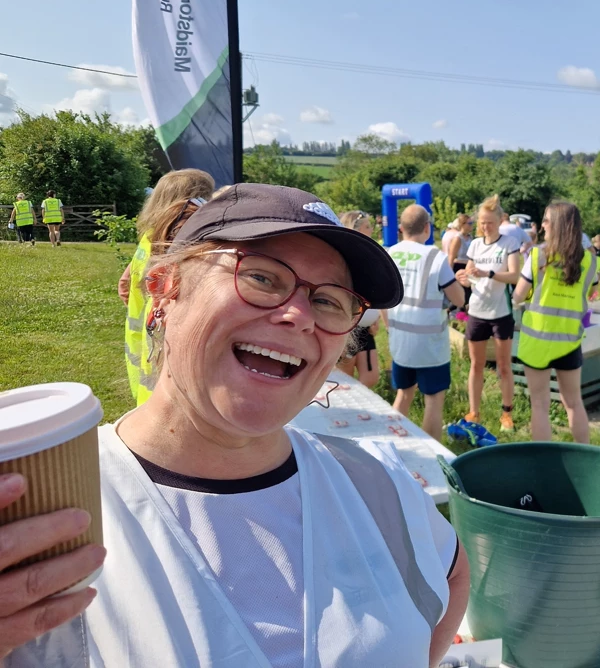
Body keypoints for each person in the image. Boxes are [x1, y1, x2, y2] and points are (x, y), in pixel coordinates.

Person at [1, 184, 470, 667]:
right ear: (163, 289)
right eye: (263, 278)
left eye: (330, 301)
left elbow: (453, 572)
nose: (299, 315)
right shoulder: (48, 510)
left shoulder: (377, 486)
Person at [118, 168, 215, 406]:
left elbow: (124, 285)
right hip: (170, 331)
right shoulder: (187, 229)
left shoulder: (151, 235)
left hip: (148, 332)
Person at [513, 202, 597, 444]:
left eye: (547, 220)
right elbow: (591, 290)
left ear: (559, 225)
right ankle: (586, 457)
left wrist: (521, 298)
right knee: (573, 402)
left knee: (539, 404)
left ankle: (543, 463)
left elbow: (519, 295)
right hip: (570, 342)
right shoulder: (590, 262)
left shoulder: (538, 255)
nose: (543, 225)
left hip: (537, 342)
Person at [384, 204, 465, 441]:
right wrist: (458, 281)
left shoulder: (390, 253)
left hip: (400, 340)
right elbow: (458, 299)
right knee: (434, 401)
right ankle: (432, 458)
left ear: (401, 228)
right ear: (427, 228)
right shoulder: (435, 257)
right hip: (430, 346)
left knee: (403, 394)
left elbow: (384, 302)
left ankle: (395, 447)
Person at [456, 195, 520, 430]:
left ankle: (507, 413)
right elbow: (470, 280)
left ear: (499, 221)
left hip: (501, 312)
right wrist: (462, 278)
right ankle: (474, 412)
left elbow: (514, 276)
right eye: (482, 222)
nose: (485, 226)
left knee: (503, 366)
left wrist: (489, 274)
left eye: (490, 222)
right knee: (476, 365)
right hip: (477, 311)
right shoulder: (474, 245)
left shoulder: (509, 243)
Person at [338, 210, 381, 387]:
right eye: (368, 226)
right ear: (355, 228)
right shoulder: (345, 256)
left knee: (370, 377)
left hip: (366, 326)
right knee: (344, 381)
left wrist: (376, 318)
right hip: (348, 326)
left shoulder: (373, 254)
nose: (372, 229)